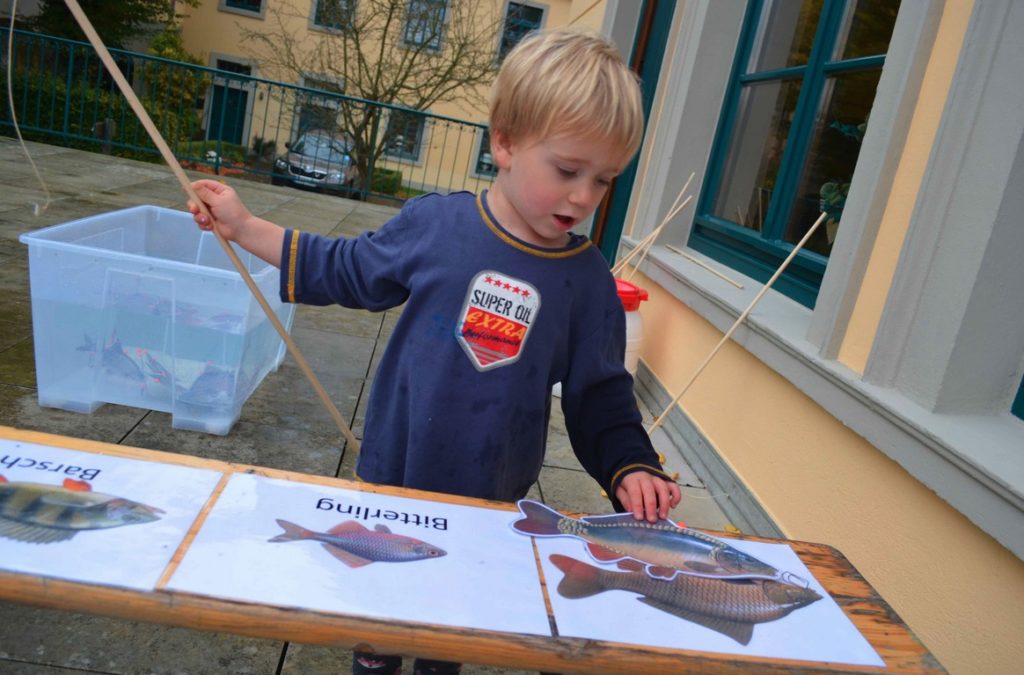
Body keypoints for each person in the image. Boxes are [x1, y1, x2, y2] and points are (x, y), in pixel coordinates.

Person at [189, 28, 681, 675]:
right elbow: (342, 266)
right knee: (379, 618)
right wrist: (244, 226)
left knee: (447, 631)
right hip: (393, 478)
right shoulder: (435, 226)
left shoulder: (587, 283)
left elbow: (601, 397)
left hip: (488, 500)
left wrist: (631, 466)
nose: (585, 196)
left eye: (604, 179)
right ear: (504, 141)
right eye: (567, 170)